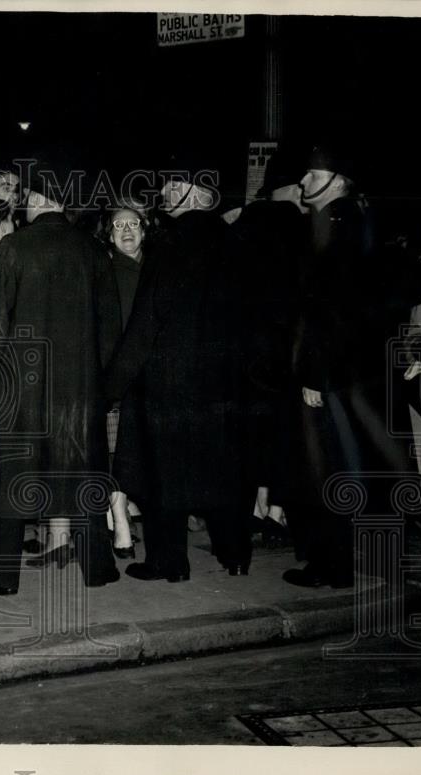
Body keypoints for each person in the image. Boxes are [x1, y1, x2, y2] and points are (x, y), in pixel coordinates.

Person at [0, 152, 121, 596]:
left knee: (14, 479)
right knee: (84, 475)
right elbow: (110, 330)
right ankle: (98, 569)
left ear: (36, 198)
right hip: (80, 391)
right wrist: (106, 389)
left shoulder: (15, 248)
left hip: (24, 389)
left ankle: (3, 576)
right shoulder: (93, 250)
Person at [105, 149, 250, 583]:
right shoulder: (233, 241)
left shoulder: (169, 242)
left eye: (173, 185)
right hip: (225, 382)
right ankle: (236, 554)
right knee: (224, 471)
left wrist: (113, 384)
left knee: (163, 477)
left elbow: (148, 319)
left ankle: (170, 562)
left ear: (198, 194)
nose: (164, 192)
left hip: (171, 384)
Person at [282, 143, 412, 589]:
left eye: (312, 177)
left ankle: (331, 567)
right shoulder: (367, 220)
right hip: (365, 370)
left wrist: (314, 374)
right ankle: (382, 561)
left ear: (336, 180)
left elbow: (325, 307)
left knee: (327, 469)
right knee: (372, 460)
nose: (303, 183)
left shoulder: (328, 224)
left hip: (332, 374)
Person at [230, 146, 310, 546]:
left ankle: (257, 509)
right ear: (295, 188)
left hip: (245, 348)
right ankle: (277, 511)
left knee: (251, 434)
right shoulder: (302, 227)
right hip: (286, 349)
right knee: (285, 433)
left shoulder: (244, 222)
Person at [104, 204, 151, 559]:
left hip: (155, 380)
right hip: (118, 379)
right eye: (118, 225)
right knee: (116, 454)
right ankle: (120, 524)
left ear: (145, 230)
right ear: (109, 235)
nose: (126, 231)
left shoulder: (159, 269)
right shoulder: (103, 272)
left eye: (133, 224)